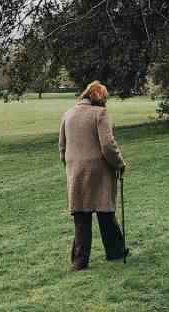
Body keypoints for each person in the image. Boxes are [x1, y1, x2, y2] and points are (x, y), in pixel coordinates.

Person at [59, 81, 127, 270]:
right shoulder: (100, 114)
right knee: (105, 211)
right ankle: (115, 251)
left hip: (75, 169)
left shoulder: (68, 113)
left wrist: (70, 165)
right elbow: (108, 145)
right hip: (99, 170)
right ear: (100, 97)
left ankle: (80, 260)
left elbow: (62, 146)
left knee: (81, 215)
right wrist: (120, 163)